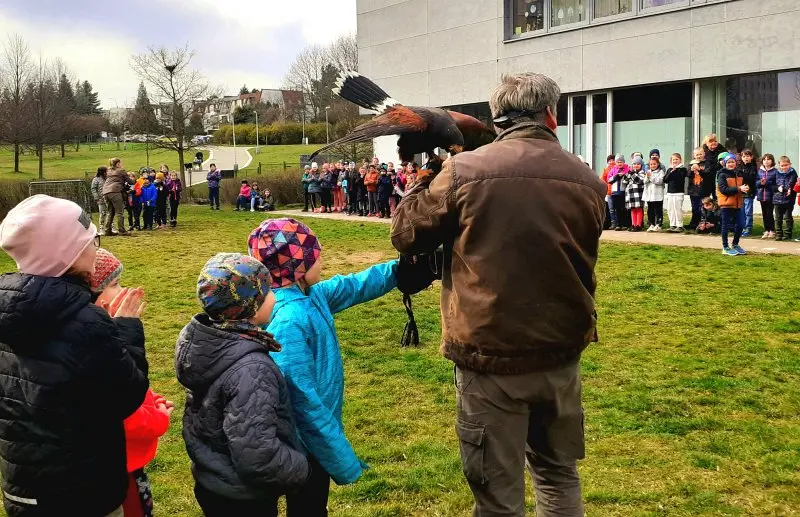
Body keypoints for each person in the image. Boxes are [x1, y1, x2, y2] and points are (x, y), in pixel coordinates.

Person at [391, 73, 606, 517]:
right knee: (558, 475)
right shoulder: (587, 178)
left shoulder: (465, 171)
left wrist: (423, 178)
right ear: (551, 115)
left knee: (496, 496)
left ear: (496, 119)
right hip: (561, 350)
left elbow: (406, 235)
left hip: (489, 354)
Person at [0, 195, 149, 517]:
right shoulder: (86, 321)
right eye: (91, 240)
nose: (96, 247)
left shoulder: (8, 314)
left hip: (24, 490)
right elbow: (125, 395)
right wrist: (126, 330)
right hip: (83, 492)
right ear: (69, 252)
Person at [248, 218, 398, 516]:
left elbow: (354, 286)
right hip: (305, 443)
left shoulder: (309, 295)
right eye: (316, 257)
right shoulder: (289, 321)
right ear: (297, 268)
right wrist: (338, 453)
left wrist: (400, 270)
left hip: (316, 435)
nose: (322, 260)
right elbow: (301, 400)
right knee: (308, 507)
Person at [176, 253, 310, 517]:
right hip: (244, 497)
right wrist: (299, 466)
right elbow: (256, 454)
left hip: (213, 480)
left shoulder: (209, 342)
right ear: (250, 306)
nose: (274, 297)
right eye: (267, 292)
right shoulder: (252, 369)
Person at [90, 248, 173, 517]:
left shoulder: (95, 334)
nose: (123, 290)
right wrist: (160, 418)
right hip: (119, 469)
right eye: (114, 284)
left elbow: (130, 381)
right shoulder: (95, 345)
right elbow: (125, 412)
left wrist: (151, 399)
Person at [717, 153, 748, 255]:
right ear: (725, 164)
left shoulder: (739, 174)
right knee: (725, 226)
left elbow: (744, 185)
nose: (731, 164)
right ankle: (725, 247)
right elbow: (723, 190)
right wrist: (739, 189)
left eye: (732, 162)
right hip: (726, 204)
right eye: (729, 162)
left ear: (736, 163)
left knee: (741, 224)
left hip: (738, 204)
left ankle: (735, 244)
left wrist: (746, 188)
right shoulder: (722, 175)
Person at [102, 157, 134, 236]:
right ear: (118, 164)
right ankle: (122, 230)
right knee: (119, 212)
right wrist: (133, 180)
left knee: (110, 212)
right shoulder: (121, 170)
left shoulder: (108, 170)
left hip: (105, 192)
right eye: (120, 163)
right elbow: (130, 181)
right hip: (115, 191)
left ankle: (107, 230)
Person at [773, 155, 797, 241]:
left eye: (786, 165)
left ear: (790, 164)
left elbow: (793, 182)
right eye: (782, 165)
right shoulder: (776, 173)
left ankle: (788, 234)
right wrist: (777, 188)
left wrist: (790, 189)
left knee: (788, 217)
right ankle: (778, 234)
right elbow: (772, 185)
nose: (784, 167)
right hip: (777, 199)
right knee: (778, 218)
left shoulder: (793, 172)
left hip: (789, 199)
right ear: (779, 165)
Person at [663, 153, 687, 232]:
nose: (675, 161)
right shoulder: (669, 169)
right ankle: (672, 224)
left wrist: (675, 171)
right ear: (671, 161)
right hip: (670, 192)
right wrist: (671, 172)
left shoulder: (682, 169)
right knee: (670, 209)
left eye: (677, 159)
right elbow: (665, 180)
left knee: (677, 209)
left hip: (679, 192)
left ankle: (679, 225)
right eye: (673, 159)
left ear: (680, 160)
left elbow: (680, 178)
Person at [757, 153, 778, 239]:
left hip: (771, 196)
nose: (766, 161)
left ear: (772, 161)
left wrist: (767, 183)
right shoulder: (759, 171)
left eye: (768, 159)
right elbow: (756, 183)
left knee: (770, 213)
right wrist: (760, 183)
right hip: (761, 196)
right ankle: (766, 230)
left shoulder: (775, 171)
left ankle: (772, 230)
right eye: (764, 159)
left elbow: (776, 184)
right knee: (764, 214)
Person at [607, 154, 630, 231]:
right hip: (615, 193)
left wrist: (624, 176)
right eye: (618, 162)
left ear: (623, 162)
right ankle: (618, 224)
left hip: (623, 192)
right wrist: (615, 177)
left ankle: (625, 224)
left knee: (623, 209)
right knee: (616, 209)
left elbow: (629, 179)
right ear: (616, 163)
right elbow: (609, 180)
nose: (619, 163)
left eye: (621, 162)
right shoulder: (613, 170)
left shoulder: (627, 169)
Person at [643, 156, 665, 232]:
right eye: (651, 164)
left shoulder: (661, 172)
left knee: (658, 210)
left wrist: (651, 178)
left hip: (657, 195)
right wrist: (647, 177)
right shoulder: (648, 172)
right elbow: (644, 181)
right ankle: (651, 224)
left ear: (658, 164)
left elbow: (660, 181)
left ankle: (658, 224)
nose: (653, 166)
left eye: (654, 164)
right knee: (650, 210)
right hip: (649, 195)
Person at [686, 148, 706, 230]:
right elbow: (688, 175)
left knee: (701, 208)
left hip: (703, 190)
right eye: (697, 155)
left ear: (704, 154)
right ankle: (693, 223)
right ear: (694, 155)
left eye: (700, 154)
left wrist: (699, 170)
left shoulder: (706, 163)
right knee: (694, 208)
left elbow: (708, 174)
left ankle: (701, 224)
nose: (699, 156)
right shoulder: (691, 164)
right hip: (693, 190)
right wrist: (691, 170)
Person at [625, 157, 646, 232]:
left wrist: (632, 174)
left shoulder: (642, 173)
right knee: (633, 209)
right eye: (634, 164)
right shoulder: (631, 173)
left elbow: (640, 181)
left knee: (639, 209)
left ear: (641, 165)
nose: (636, 165)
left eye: (638, 164)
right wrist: (628, 174)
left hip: (638, 194)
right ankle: (633, 224)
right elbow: (625, 181)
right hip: (631, 194)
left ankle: (638, 225)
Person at [703, 134, 725, 199]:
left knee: (717, 195)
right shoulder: (703, 152)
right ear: (706, 143)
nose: (713, 143)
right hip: (707, 177)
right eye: (711, 141)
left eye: (715, 141)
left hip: (719, 175)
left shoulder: (722, 150)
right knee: (706, 197)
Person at [600, 155, 617, 230]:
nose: (611, 162)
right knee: (611, 209)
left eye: (613, 160)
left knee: (616, 208)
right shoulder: (606, 170)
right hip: (609, 192)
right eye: (609, 161)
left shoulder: (617, 169)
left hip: (617, 191)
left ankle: (618, 223)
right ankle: (613, 223)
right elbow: (602, 180)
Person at [92, 166, 109, 235]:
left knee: (110, 213)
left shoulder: (108, 178)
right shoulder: (96, 179)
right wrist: (96, 197)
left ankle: (110, 227)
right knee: (102, 213)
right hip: (101, 199)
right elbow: (93, 189)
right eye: (106, 171)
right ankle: (101, 228)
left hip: (109, 198)